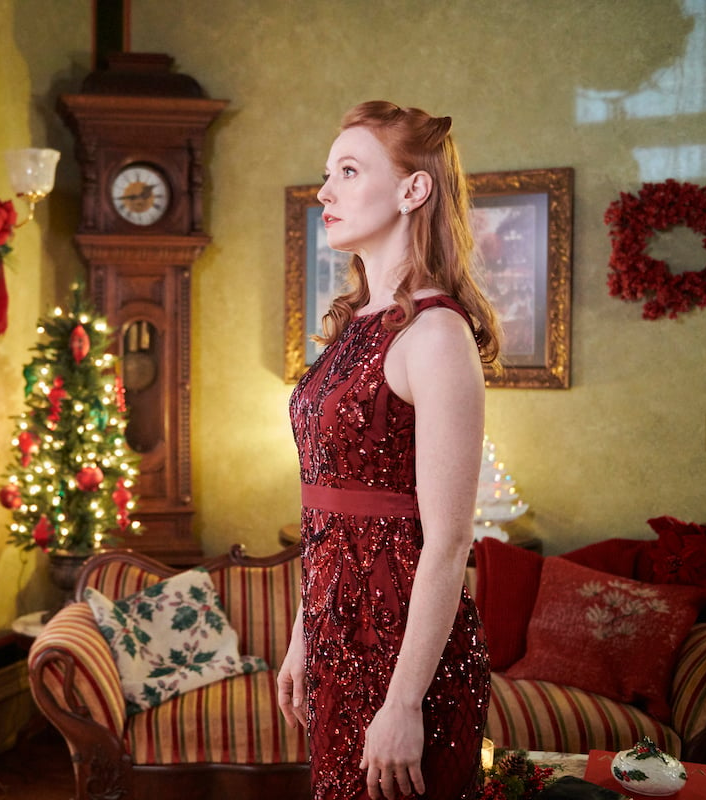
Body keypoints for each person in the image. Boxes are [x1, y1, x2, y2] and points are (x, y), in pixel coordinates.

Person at [278, 101, 501, 800]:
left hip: (407, 659)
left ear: (413, 190)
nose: (325, 191)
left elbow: (449, 540)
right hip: (336, 640)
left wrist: (404, 703)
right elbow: (325, 512)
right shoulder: (352, 328)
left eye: (349, 170)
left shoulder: (436, 336)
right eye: (327, 173)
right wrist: (300, 637)